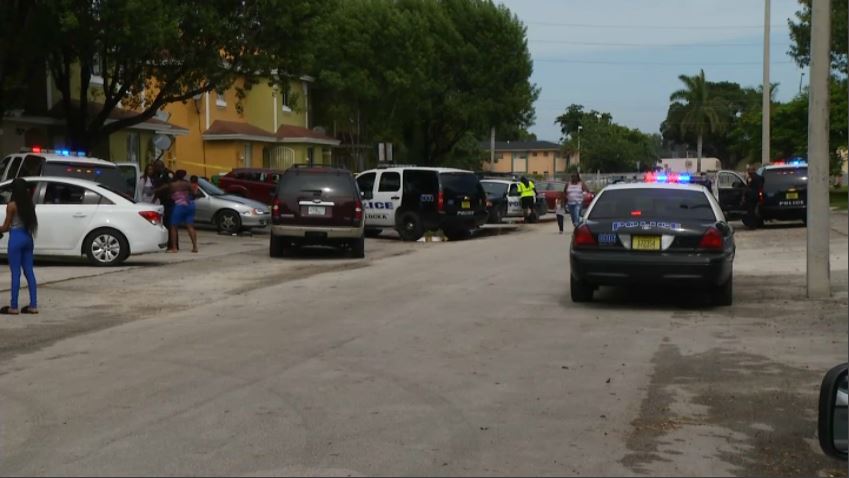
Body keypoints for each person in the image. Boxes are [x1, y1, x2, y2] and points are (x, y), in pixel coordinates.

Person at [0, 179, 38, 315]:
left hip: (15, 238)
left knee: (15, 273)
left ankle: (14, 306)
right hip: (28, 238)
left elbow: (5, 227)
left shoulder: (11, 206)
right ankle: (33, 305)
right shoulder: (30, 205)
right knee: (29, 272)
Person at [168, 170, 198, 253]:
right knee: (190, 226)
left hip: (179, 205)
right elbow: (194, 194)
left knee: (173, 226)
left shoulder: (173, 185)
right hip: (190, 205)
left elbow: (170, 195)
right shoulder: (187, 184)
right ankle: (195, 246)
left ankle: (174, 248)